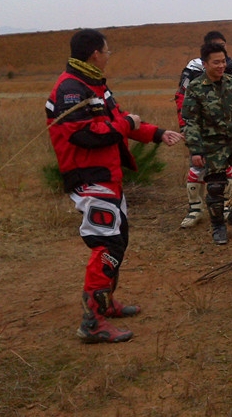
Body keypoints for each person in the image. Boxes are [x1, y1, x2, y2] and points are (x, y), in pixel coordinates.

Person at [46, 28, 183, 344]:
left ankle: (105, 304)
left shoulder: (94, 85)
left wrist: (158, 133)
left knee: (118, 238)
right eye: (107, 51)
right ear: (95, 53)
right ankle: (91, 323)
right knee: (106, 243)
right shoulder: (70, 88)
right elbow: (87, 134)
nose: (109, 56)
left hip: (108, 175)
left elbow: (118, 120)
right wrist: (127, 124)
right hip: (88, 176)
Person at [174, 30, 232, 228]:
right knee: (213, 182)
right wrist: (194, 145)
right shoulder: (194, 80)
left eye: (223, 57)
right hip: (210, 141)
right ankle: (206, 218)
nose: (221, 63)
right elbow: (188, 113)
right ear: (205, 61)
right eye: (216, 60)